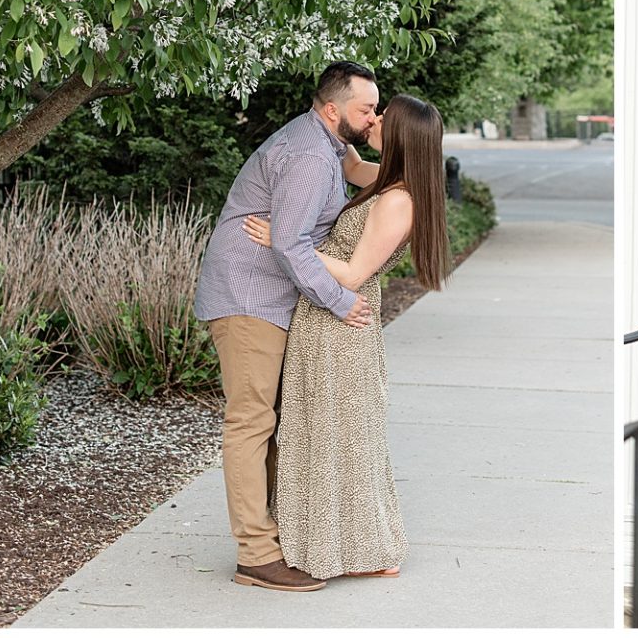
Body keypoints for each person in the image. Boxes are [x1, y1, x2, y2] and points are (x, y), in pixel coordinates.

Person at [243, 93, 451, 580]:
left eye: (383, 117)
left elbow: (356, 274)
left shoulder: (399, 199)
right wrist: (332, 113)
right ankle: (343, 546)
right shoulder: (389, 179)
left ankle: (362, 551)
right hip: (326, 319)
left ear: (401, 135)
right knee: (327, 432)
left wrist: (284, 241)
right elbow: (347, 157)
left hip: (341, 323)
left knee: (341, 435)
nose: (374, 120)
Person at [192, 61, 381, 593]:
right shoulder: (305, 155)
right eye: (366, 110)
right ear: (331, 109)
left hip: (271, 297)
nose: (373, 118)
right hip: (251, 298)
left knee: (274, 421)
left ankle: (281, 537)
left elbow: (365, 171)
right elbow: (289, 243)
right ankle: (256, 554)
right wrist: (340, 301)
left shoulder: (328, 145)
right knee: (252, 422)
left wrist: (406, 146)